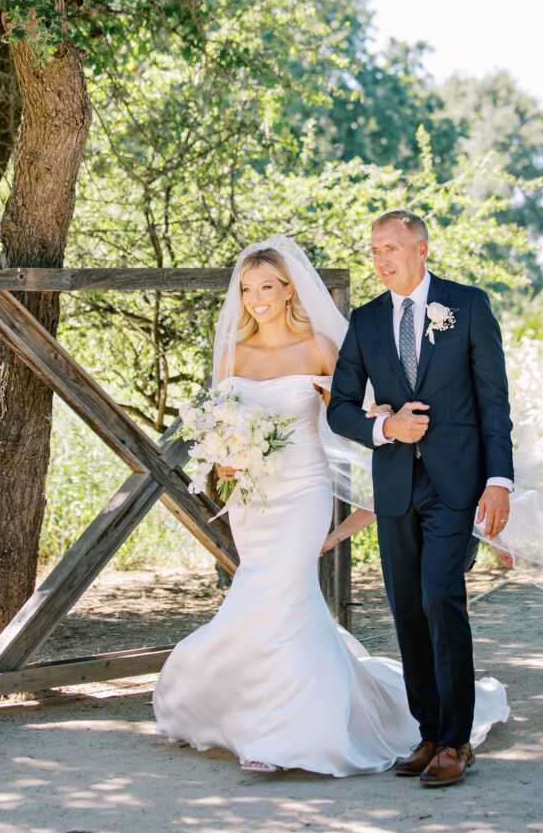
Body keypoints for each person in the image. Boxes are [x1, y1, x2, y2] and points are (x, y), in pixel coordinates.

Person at [152, 236, 509, 778]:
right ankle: (255, 716)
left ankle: (280, 735)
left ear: (289, 290)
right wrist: (223, 461)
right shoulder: (231, 354)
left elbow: (351, 413)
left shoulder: (320, 345)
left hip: (303, 490)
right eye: (246, 290)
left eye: (265, 287)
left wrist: (387, 427)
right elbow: (219, 424)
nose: (255, 299)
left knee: (287, 593)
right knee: (262, 595)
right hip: (252, 500)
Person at [327, 210, 514, 787]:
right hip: (396, 486)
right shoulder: (365, 321)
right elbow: (339, 408)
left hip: (455, 483)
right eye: (374, 250)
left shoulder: (468, 306)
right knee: (407, 608)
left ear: (421, 249)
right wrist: (386, 428)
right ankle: (428, 733)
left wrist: (500, 481)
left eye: (391, 247)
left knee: (440, 597)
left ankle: (457, 741)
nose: (381, 259)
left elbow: (494, 402)